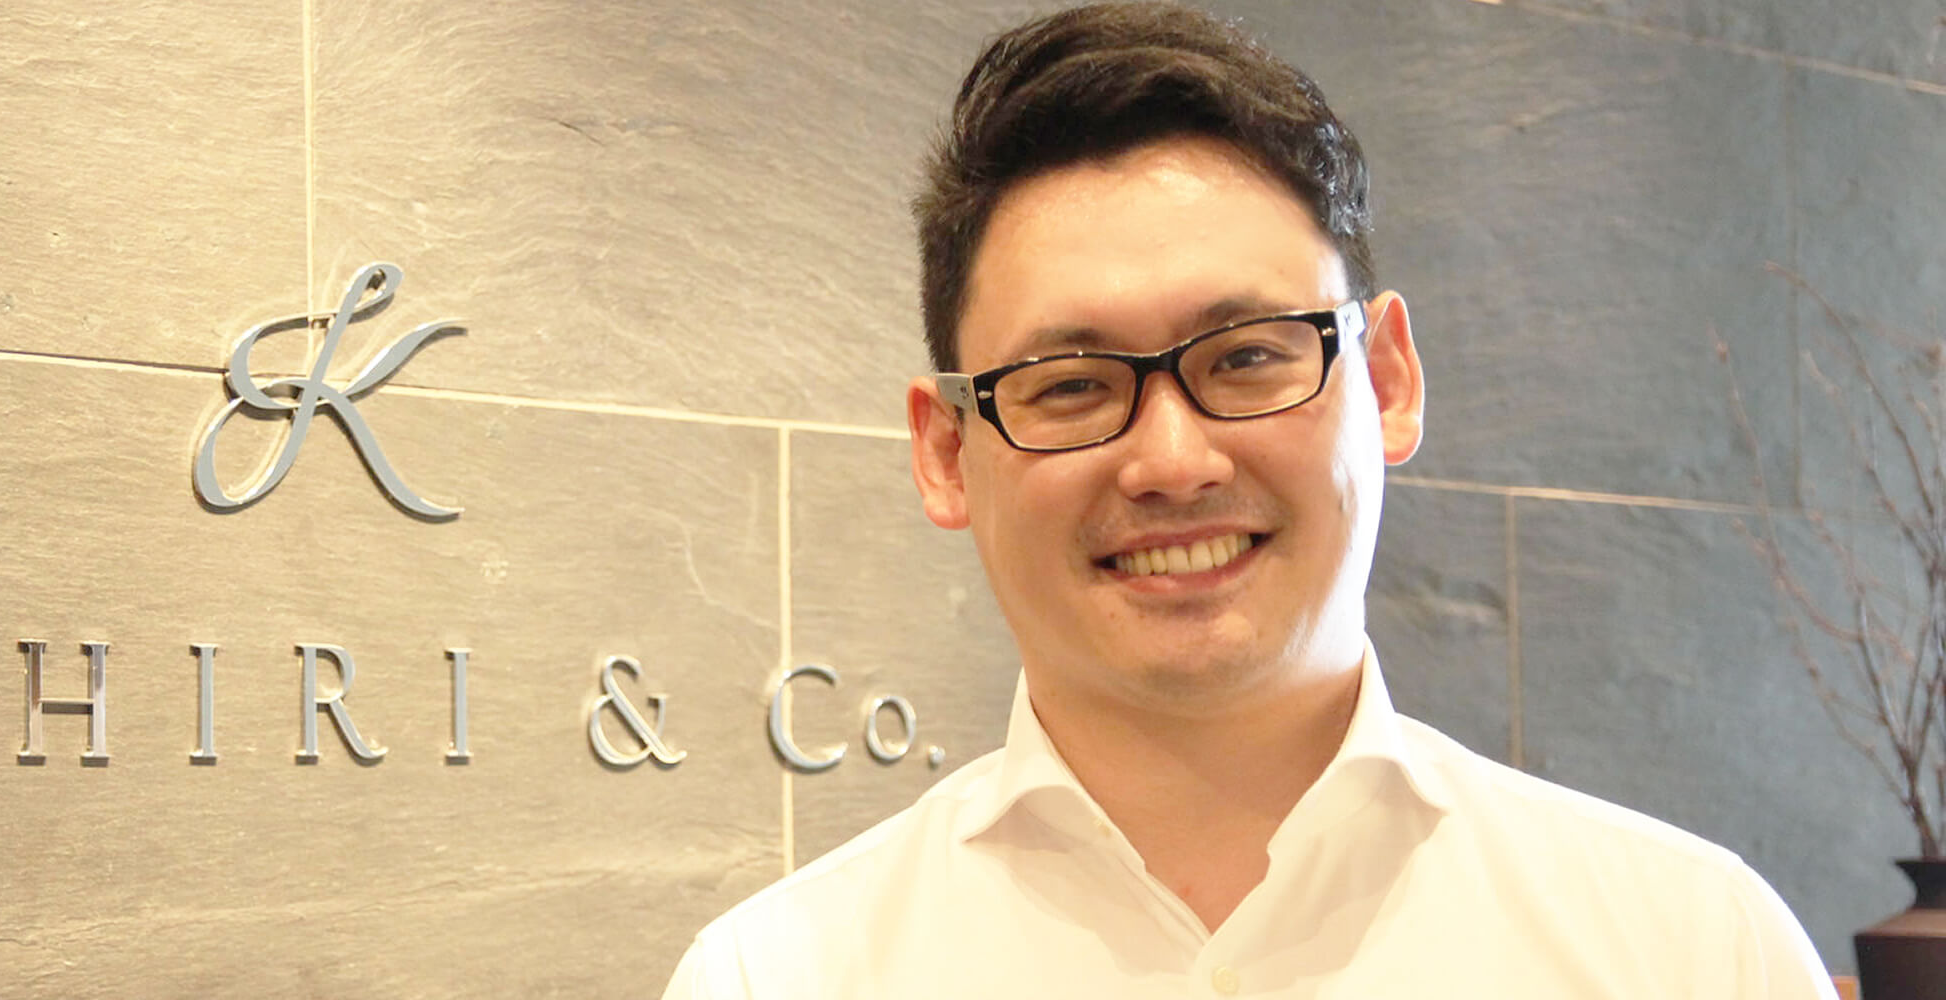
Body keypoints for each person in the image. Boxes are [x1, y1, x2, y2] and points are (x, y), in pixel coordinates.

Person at [661, 3, 1837, 997]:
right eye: (1070, 385)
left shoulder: (1695, 951)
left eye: (1249, 357)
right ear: (944, 452)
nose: (1173, 461)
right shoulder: (777, 977)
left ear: (1388, 380)